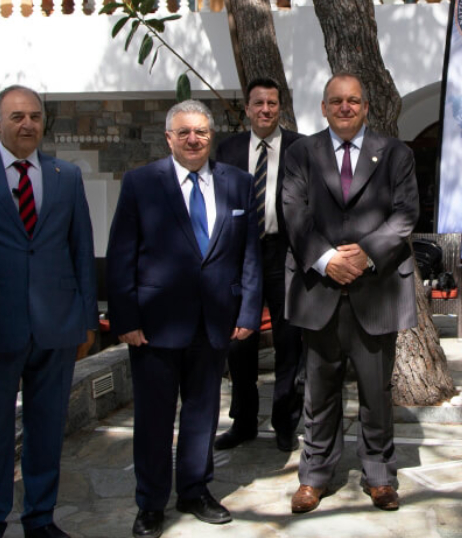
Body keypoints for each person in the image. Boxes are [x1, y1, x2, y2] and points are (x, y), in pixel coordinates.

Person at [0, 85, 97, 538]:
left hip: (57, 327)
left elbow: (81, 250)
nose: (27, 124)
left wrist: (87, 320)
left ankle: (40, 517)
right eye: (17, 116)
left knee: (46, 431)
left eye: (34, 116)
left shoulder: (66, 175)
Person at [107, 99, 262, 538]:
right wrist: (126, 319)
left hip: (215, 321)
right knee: (153, 420)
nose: (193, 139)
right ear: (169, 138)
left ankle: (194, 490)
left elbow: (250, 253)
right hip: (154, 325)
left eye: (201, 132)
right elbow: (121, 255)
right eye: (184, 132)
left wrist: (248, 310)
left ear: (211, 137)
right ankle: (151, 503)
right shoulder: (141, 183)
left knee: (203, 415)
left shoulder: (238, 183)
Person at [281, 73, 419, 514]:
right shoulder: (301, 154)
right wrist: (327, 260)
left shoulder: (396, 153)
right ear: (324, 108)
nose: (345, 107)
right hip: (319, 290)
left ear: (366, 108)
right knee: (318, 392)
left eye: (354, 101)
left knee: (376, 394)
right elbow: (293, 211)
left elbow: (406, 214)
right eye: (337, 101)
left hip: (375, 290)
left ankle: (379, 476)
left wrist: (366, 254)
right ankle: (314, 476)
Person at [214, 77, 305, 452]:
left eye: (272, 103)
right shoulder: (229, 149)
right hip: (240, 257)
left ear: (280, 107)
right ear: (247, 108)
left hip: (285, 254)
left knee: (289, 342)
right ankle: (244, 421)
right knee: (240, 343)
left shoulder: (301, 148)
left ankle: (285, 422)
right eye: (258, 103)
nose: (265, 109)